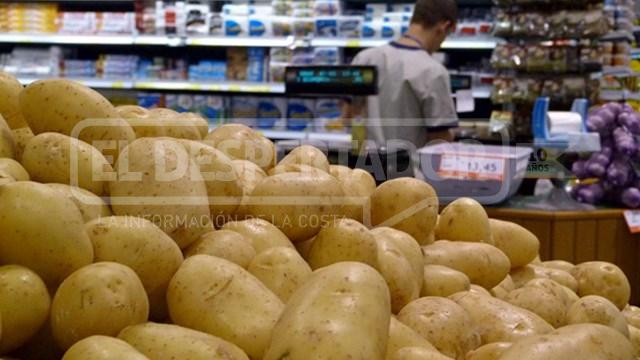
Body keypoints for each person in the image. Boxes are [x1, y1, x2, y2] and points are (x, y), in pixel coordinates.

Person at [347, 0, 459, 150]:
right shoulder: (433, 72)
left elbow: (347, 115)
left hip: (364, 167)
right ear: (444, 27)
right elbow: (439, 141)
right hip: (410, 170)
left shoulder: (365, 58)